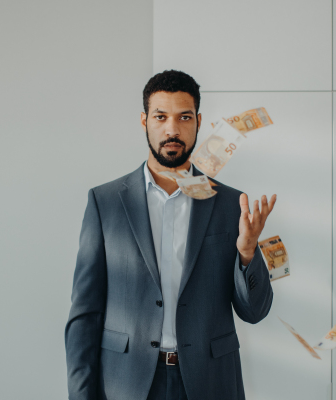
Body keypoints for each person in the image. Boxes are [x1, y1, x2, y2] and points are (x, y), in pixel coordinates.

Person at [65, 70, 276, 400]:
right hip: (126, 383)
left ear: (199, 121)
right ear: (144, 120)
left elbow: (255, 311)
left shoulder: (230, 204)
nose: (172, 129)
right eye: (161, 117)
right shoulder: (105, 203)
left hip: (209, 383)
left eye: (184, 117)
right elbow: (84, 315)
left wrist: (248, 253)